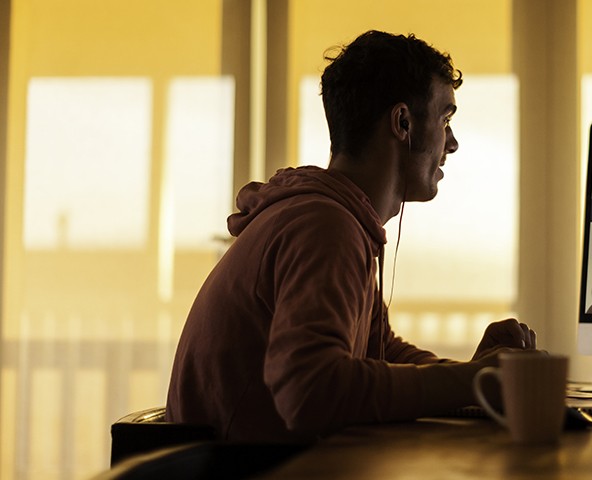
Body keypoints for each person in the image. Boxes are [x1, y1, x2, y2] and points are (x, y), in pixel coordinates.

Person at [165, 31, 536, 443]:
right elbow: (312, 392)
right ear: (402, 123)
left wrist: (477, 372)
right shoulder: (325, 227)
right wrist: (474, 379)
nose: (453, 142)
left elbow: (379, 352)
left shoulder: (325, 217)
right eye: (445, 119)